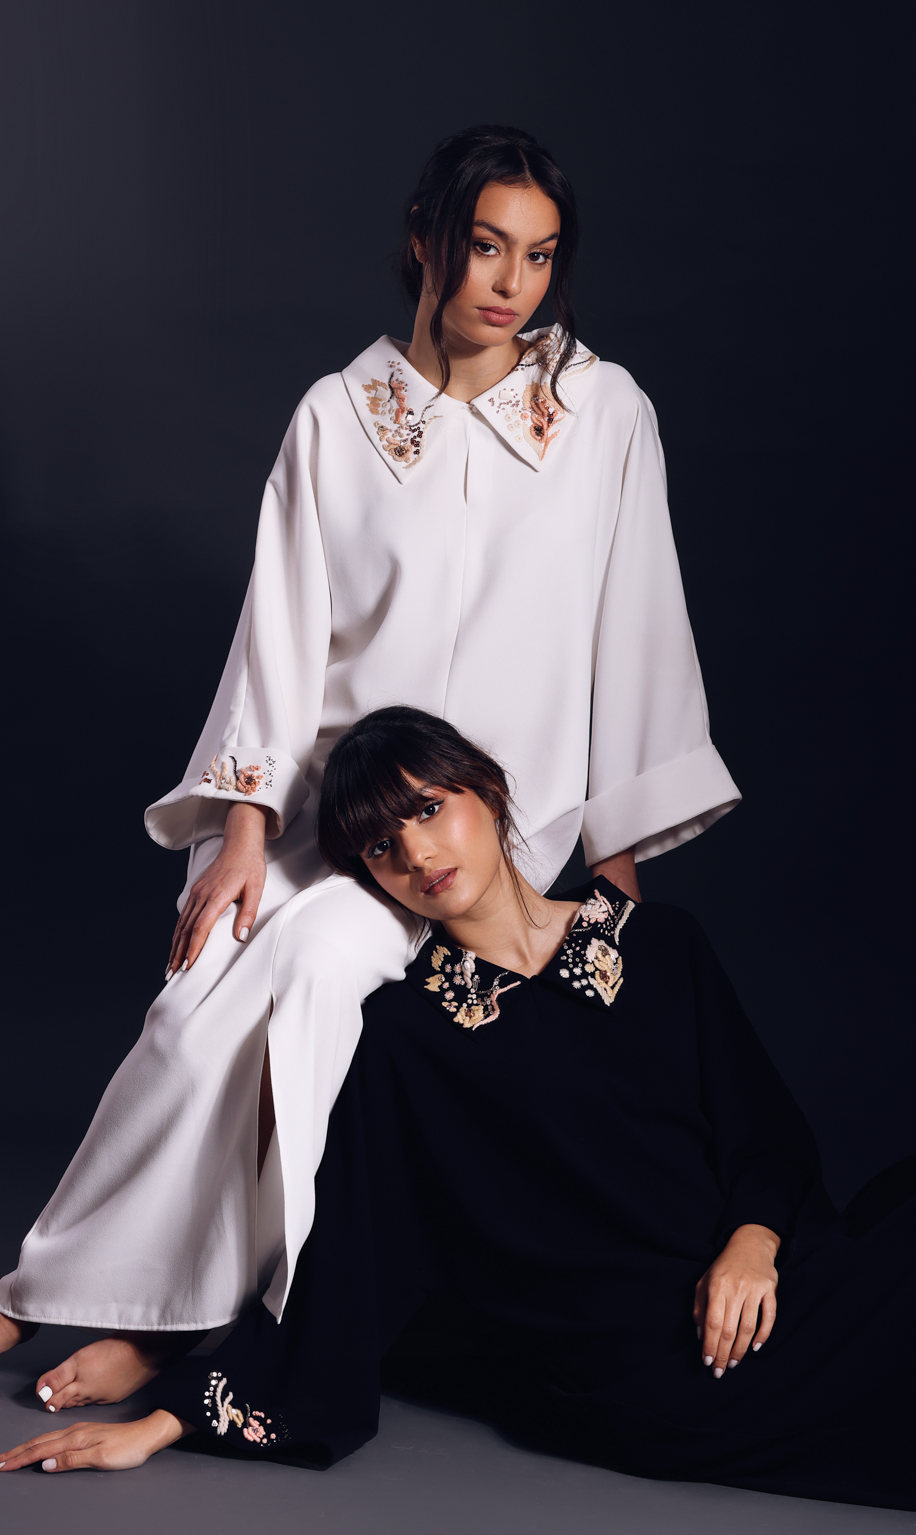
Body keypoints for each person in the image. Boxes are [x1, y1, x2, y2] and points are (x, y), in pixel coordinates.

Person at [0, 126, 739, 1411]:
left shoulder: (603, 414)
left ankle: (169, 1326)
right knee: (196, 1001)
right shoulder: (337, 420)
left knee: (309, 975)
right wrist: (244, 828)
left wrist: (611, 853)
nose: (510, 283)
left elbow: (637, 628)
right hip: (340, 818)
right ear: (424, 238)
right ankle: (61, 1290)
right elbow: (281, 631)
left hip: (496, 832)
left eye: (539, 256)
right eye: (486, 247)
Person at [4, 708, 916, 1513]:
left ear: (487, 791)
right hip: (660, 1366)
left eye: (429, 808)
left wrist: (753, 1243)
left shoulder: (660, 943)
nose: (416, 852)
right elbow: (355, 1255)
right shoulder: (406, 1035)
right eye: (380, 844)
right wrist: (170, 1417)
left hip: (761, 1287)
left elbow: (764, 1131)